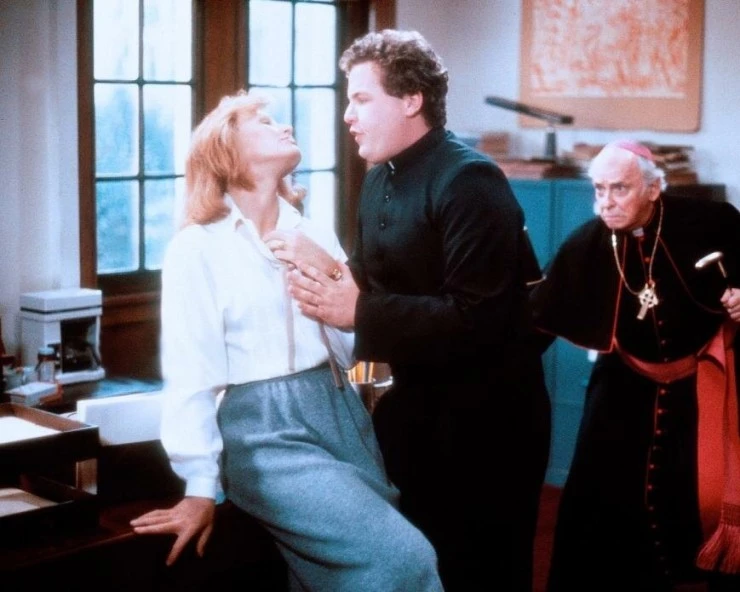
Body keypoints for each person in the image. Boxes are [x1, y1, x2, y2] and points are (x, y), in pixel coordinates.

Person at [129, 90, 444, 592]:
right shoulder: (197, 248)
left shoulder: (313, 232)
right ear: (226, 149)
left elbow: (351, 344)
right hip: (263, 430)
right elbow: (191, 373)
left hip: (341, 410)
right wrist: (199, 487)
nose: (285, 127)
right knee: (404, 558)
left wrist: (329, 269)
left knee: (330, 578)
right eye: (264, 121)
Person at [272, 29, 552, 592]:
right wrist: (323, 267)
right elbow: (371, 279)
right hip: (416, 409)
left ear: (411, 100)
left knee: (476, 574)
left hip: (489, 423)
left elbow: (478, 318)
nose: (348, 116)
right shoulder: (379, 175)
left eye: (361, 98)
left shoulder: (470, 179)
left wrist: (359, 312)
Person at [529, 140, 740, 592]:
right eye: (599, 189)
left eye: (619, 189)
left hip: (699, 386)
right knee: (598, 503)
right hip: (624, 387)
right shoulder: (586, 243)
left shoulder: (713, 221)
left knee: (700, 494)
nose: (606, 202)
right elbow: (534, 319)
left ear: (653, 188)